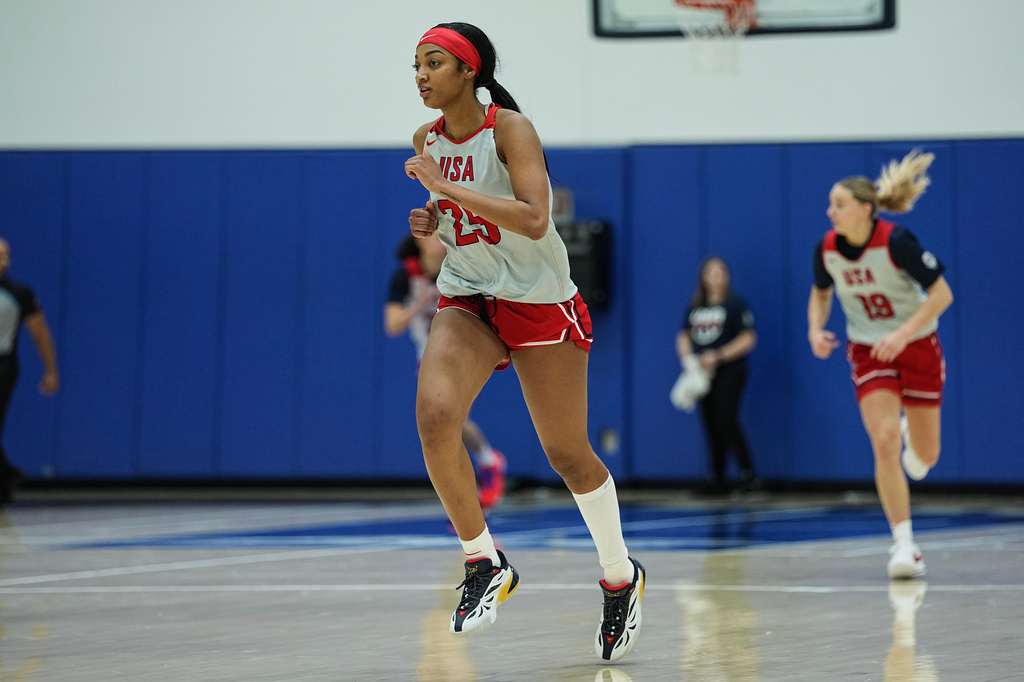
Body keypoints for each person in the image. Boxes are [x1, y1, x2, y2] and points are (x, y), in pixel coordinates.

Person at [405, 22, 644, 661]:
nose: (422, 76)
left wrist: (447, 188)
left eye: (433, 63)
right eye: (415, 66)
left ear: (469, 71)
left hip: (538, 300)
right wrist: (435, 220)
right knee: (434, 418)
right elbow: (461, 218)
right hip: (469, 293)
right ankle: (484, 561)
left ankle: (620, 576)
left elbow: (537, 220)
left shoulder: (510, 129)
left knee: (567, 454)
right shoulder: (427, 139)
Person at [807, 149, 953, 579]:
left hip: (916, 344)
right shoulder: (827, 249)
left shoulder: (896, 242)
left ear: (865, 210)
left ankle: (915, 437)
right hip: (869, 350)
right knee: (884, 439)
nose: (830, 211)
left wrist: (902, 333)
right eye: (831, 204)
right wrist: (815, 330)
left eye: (839, 204)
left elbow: (942, 295)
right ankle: (904, 545)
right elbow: (820, 294)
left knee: (926, 456)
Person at [384, 232, 506, 510]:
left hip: (461, 351)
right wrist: (418, 303)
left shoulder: (459, 270)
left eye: (444, 239)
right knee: (447, 423)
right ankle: (486, 463)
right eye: (434, 238)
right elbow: (392, 326)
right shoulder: (405, 277)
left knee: (451, 419)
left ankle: (474, 482)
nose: (440, 244)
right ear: (420, 241)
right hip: (426, 356)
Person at [676, 257, 760, 495]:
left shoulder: (735, 305)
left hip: (729, 371)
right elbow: (684, 336)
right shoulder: (696, 307)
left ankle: (748, 474)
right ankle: (717, 477)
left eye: (721, 272)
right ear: (704, 277)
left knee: (727, 420)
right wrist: (688, 360)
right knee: (710, 423)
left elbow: (748, 338)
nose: (718, 277)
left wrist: (719, 355)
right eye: (712, 273)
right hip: (703, 374)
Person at [0, 238, 60, 503]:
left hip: (3, 365)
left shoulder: (19, 293)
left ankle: (6, 477)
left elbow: (40, 333)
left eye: (6, 256)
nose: (4, 261)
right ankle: (7, 475)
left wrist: (51, 370)